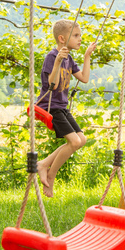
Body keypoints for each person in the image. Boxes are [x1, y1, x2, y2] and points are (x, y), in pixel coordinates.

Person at [36, 19, 97, 197]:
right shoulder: (51, 57)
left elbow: (84, 78)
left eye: (80, 36)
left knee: (81, 140)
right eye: (76, 36)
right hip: (52, 107)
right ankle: (51, 174)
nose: (80, 39)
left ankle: (43, 163)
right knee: (75, 142)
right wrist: (56, 63)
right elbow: (52, 86)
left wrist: (87, 56)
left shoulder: (69, 59)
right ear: (62, 38)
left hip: (62, 107)